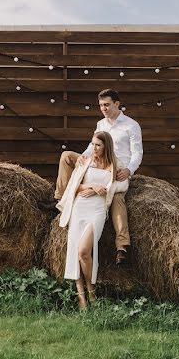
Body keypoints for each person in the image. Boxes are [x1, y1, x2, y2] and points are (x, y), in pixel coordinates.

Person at [47, 89, 143, 266]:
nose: (103, 108)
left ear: (117, 103)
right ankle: (60, 199)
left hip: (117, 169)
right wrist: (84, 156)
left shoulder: (131, 125)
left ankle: (122, 246)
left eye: (107, 104)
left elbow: (138, 153)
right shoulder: (101, 124)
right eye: (100, 105)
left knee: (117, 198)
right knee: (67, 156)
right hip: (96, 163)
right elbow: (94, 145)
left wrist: (129, 170)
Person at [56, 131, 128, 309]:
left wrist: (102, 188)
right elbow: (74, 186)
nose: (93, 148)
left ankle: (91, 291)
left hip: (97, 210)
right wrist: (91, 186)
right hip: (80, 207)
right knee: (76, 252)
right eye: (93, 144)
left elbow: (123, 184)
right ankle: (82, 297)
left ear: (106, 147)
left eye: (98, 145)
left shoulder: (115, 164)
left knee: (84, 250)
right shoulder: (85, 161)